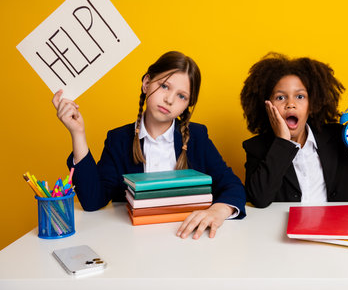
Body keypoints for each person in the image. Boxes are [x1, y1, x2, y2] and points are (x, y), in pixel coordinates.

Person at [52, 51, 246, 239]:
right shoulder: (119, 140)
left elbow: (233, 186)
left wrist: (218, 211)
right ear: (146, 83)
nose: (169, 99)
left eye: (181, 96)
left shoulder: (197, 137)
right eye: (164, 86)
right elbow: (93, 200)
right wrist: (78, 133)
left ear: (187, 104)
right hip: (134, 243)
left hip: (186, 240)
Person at [240, 52, 348, 208]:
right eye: (280, 97)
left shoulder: (340, 138)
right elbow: (259, 199)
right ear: (267, 106)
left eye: (300, 96)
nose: (290, 104)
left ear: (312, 104)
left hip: (339, 234)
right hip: (287, 237)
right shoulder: (257, 148)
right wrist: (283, 142)